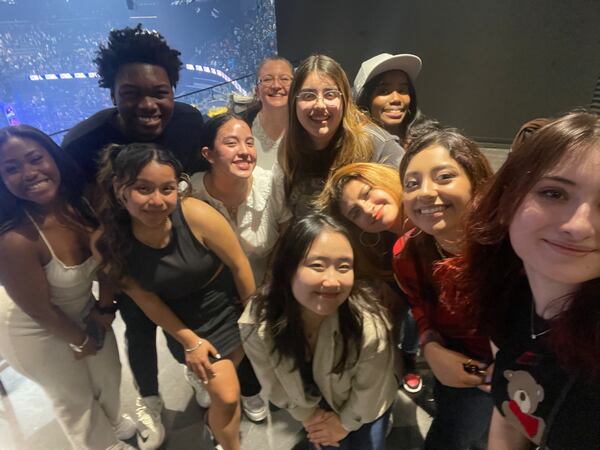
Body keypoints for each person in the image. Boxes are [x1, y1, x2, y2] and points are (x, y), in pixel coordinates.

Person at [61, 24, 206, 445]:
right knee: (140, 336)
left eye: (159, 92)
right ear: (112, 94)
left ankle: (195, 380)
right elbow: (73, 211)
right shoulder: (84, 143)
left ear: (173, 90)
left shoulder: (191, 123)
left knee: (184, 331)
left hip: (175, 256)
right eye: (131, 93)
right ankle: (151, 401)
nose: (148, 104)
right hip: (124, 263)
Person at [93, 142, 255, 450]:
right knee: (228, 395)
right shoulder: (108, 242)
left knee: (226, 388)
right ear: (120, 189)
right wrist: (190, 341)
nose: (157, 200)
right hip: (186, 321)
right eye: (143, 188)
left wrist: (252, 319)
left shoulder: (195, 213)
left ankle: (214, 425)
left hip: (230, 308)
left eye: (167, 189)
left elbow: (239, 265)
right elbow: (147, 301)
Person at [460, 111, 600, 449]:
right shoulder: (508, 298)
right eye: (554, 194)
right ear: (507, 201)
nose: (578, 226)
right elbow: (511, 408)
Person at [0, 125, 135, 450]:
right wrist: (80, 339)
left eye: (35, 159)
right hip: (34, 329)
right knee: (75, 400)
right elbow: (40, 311)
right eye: (12, 169)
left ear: (54, 158)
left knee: (108, 374)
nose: (29, 173)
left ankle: (113, 423)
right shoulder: (15, 241)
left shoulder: (83, 204)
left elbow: (107, 261)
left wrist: (104, 308)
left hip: (83, 307)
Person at [240, 214, 396, 450]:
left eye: (344, 267)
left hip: (362, 404)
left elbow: (370, 391)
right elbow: (271, 381)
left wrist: (343, 424)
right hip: (309, 400)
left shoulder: (368, 325)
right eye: (317, 265)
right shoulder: (257, 321)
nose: (332, 281)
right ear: (288, 268)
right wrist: (309, 416)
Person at [394, 129, 494, 449]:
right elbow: (420, 308)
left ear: (477, 182)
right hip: (458, 369)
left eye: (444, 176)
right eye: (412, 183)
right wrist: (432, 348)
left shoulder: (515, 244)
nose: (425, 192)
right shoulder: (407, 252)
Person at [191, 113, 292, 421]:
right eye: (231, 142)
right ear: (208, 154)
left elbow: (286, 236)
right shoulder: (192, 192)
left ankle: (250, 383)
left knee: (263, 342)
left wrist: (269, 288)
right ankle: (244, 388)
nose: (245, 150)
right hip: (214, 294)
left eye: (249, 142)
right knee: (225, 356)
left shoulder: (270, 181)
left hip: (265, 285)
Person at [316, 162, 422, 393]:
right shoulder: (379, 248)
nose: (366, 209)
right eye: (355, 213)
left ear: (382, 179)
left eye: (367, 193)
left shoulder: (430, 214)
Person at [279, 54, 405, 217]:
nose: (320, 104)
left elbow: (410, 208)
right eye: (308, 96)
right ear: (294, 103)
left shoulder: (377, 145)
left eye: (330, 94)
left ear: (344, 99)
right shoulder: (290, 149)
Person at [353, 53, 422, 143]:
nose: (396, 99)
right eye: (384, 91)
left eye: (402, 90)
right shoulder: (351, 149)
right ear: (364, 98)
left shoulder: (426, 142)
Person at [241, 56, 294, 170]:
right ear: (257, 91)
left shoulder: (308, 127)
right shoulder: (243, 128)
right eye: (267, 79)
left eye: (284, 79)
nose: (276, 86)